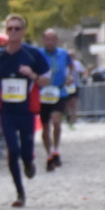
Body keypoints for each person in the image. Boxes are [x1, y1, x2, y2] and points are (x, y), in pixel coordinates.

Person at [0, 15, 49, 208]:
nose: (13, 32)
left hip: (26, 111)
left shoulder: (32, 54)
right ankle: (19, 192)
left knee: (25, 151)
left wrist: (32, 75)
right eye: (10, 28)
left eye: (17, 28)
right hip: (7, 111)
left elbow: (47, 79)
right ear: (6, 31)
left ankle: (29, 162)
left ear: (23, 31)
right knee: (12, 150)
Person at [36, 28, 74, 170]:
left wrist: (69, 76)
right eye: (47, 39)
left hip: (59, 92)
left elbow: (71, 66)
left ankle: (56, 148)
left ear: (57, 40)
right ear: (43, 40)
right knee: (45, 126)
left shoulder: (63, 53)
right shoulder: (38, 54)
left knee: (56, 121)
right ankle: (49, 153)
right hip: (43, 93)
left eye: (53, 39)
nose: (50, 42)